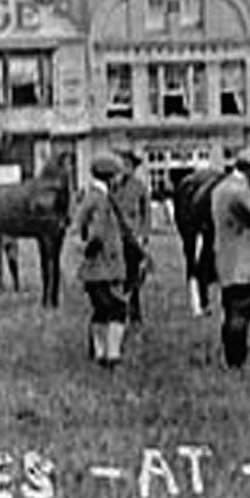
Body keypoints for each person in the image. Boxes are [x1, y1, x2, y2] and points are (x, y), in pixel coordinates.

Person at [211, 147, 250, 368]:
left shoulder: (221, 188)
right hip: (244, 264)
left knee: (231, 311)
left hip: (227, 259)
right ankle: (236, 361)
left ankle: (232, 358)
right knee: (241, 314)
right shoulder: (238, 192)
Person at [74, 153, 133, 369]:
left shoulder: (90, 197)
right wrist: (92, 250)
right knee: (117, 309)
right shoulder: (101, 200)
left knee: (100, 310)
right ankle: (112, 355)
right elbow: (97, 234)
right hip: (104, 266)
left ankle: (99, 353)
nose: (119, 180)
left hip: (93, 268)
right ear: (110, 177)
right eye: (117, 176)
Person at [110, 144, 152, 326]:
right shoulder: (113, 187)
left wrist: (143, 235)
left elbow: (146, 214)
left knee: (134, 275)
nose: (125, 168)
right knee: (118, 275)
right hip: (117, 237)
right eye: (122, 164)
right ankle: (118, 309)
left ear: (134, 167)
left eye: (128, 165)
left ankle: (135, 311)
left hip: (133, 237)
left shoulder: (140, 187)